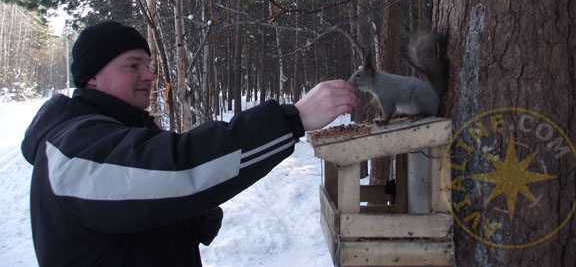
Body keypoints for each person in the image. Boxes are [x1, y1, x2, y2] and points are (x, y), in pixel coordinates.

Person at [22, 21, 359, 267]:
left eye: (149, 65)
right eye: (133, 66)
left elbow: (150, 199)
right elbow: (178, 170)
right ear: (92, 77)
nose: (149, 75)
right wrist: (292, 119)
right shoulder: (73, 147)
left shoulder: (113, 132)